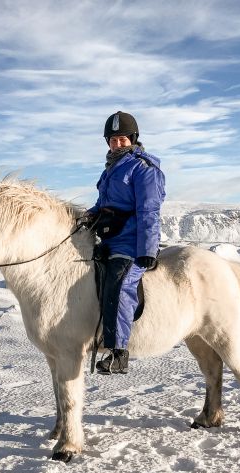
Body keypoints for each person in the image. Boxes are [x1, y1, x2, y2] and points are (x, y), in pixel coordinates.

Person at [84, 111, 166, 375]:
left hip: (130, 244)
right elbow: (103, 203)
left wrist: (147, 250)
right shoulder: (110, 168)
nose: (117, 144)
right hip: (108, 239)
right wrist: (91, 215)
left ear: (132, 139)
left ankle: (118, 352)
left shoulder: (144, 169)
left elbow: (149, 210)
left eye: (122, 139)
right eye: (112, 140)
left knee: (119, 285)